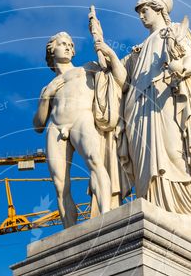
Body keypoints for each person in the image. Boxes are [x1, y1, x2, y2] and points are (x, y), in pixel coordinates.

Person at [117, 0, 191, 246]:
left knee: (173, 154)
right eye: (139, 12)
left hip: (164, 102)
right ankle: (152, 204)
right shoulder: (138, 49)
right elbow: (120, 80)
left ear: (159, 8)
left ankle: (188, 211)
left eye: (145, 10)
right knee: (145, 164)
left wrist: (181, 68)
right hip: (137, 108)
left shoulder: (173, 32)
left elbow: (190, 60)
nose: (141, 16)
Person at [33, 32, 126, 228]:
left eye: (70, 45)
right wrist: (46, 97)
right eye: (62, 44)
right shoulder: (47, 87)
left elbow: (118, 78)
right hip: (55, 127)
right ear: (52, 50)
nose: (68, 47)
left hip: (81, 118)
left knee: (95, 162)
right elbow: (38, 125)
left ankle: (106, 214)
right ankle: (69, 230)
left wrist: (105, 50)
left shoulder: (87, 69)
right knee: (60, 185)